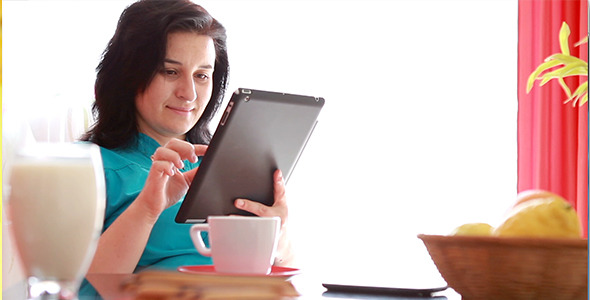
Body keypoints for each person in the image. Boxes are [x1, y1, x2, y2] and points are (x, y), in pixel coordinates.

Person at [80, 0, 294, 277]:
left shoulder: (231, 167)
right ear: (128, 75)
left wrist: (280, 235)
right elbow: (79, 289)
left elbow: (287, 278)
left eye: (202, 75)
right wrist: (146, 210)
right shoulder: (86, 167)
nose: (189, 93)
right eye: (170, 71)